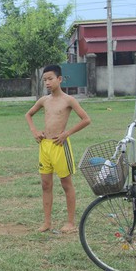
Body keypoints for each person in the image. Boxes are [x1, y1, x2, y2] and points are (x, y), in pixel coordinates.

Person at [25, 65, 91, 233]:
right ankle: (47, 222)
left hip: (60, 146)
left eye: (50, 79)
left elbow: (85, 119)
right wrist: (35, 131)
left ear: (59, 79)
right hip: (44, 146)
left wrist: (66, 134)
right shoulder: (44, 100)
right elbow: (28, 114)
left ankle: (70, 223)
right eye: (45, 80)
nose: (47, 82)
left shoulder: (68, 100)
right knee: (46, 185)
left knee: (66, 184)